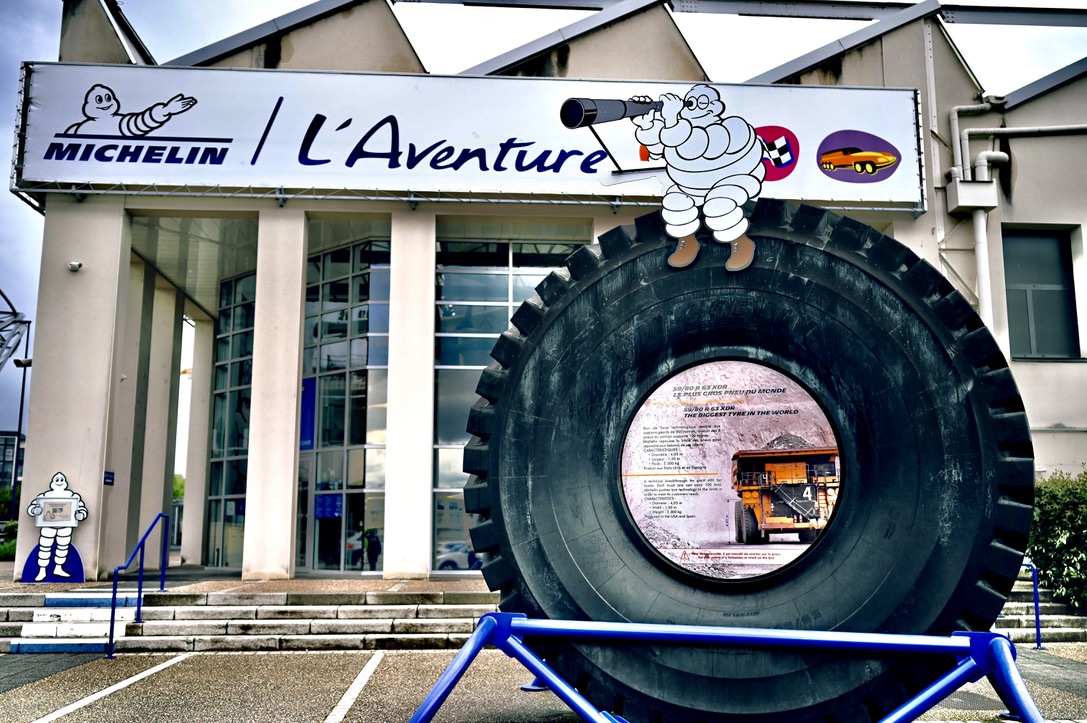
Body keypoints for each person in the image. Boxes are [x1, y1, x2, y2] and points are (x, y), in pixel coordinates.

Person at [630, 85, 765, 270]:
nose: (691, 106)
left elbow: (698, 145)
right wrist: (647, 124)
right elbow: (659, 146)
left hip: (731, 180)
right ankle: (687, 241)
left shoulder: (730, 127)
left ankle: (740, 242)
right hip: (690, 186)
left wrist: (672, 121)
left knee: (719, 206)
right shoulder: (679, 132)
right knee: (674, 201)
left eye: (700, 101)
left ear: (714, 107)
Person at [26, 472, 87, 581]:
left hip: (65, 527)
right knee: (44, 548)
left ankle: (58, 568)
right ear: (52, 482)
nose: (59, 482)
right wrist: (35, 510)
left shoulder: (72, 496)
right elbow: (33, 507)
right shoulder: (45, 496)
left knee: (63, 548)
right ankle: (42, 570)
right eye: (57, 480)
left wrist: (80, 514)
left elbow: (82, 509)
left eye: (61, 480)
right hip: (48, 526)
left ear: (65, 483)